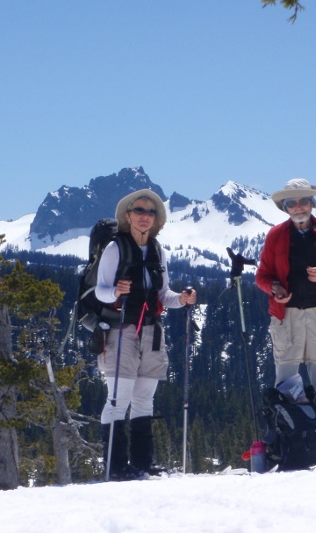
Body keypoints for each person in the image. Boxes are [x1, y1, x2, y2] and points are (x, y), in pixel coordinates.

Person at [95, 189, 196, 480]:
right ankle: (115, 467)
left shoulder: (157, 249)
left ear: (156, 219)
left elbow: (163, 295)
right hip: (121, 330)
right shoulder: (115, 248)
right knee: (119, 397)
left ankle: (141, 464)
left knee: (144, 397)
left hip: (152, 331)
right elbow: (99, 290)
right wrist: (115, 292)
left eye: (151, 212)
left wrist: (183, 299)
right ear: (128, 216)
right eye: (139, 210)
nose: (145, 216)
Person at [255, 178, 316, 420]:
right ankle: (289, 438)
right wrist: (274, 287)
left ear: (312, 204)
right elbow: (262, 276)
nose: (299, 207)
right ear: (285, 207)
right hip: (286, 315)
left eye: (303, 202)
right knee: (286, 383)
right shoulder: (276, 235)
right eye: (292, 203)